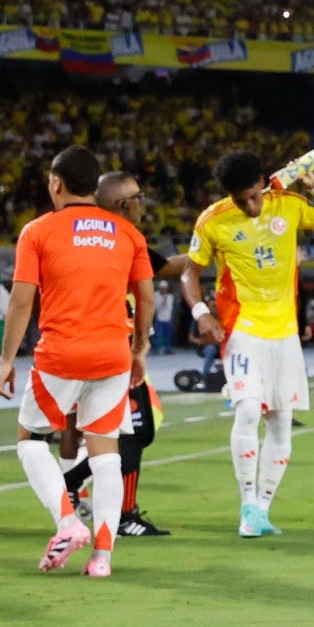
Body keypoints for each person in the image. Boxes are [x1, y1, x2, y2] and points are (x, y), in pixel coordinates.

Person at [0, 145, 154, 577]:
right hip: (112, 355)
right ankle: (102, 558)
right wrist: (139, 349)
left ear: (56, 184)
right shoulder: (127, 234)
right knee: (106, 456)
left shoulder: (38, 231)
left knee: (30, 439)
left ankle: (67, 522)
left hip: (61, 354)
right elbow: (146, 297)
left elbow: (21, 301)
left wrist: (7, 359)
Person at [179, 149, 314, 537]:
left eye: (254, 195)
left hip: (285, 334)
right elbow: (190, 274)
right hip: (242, 329)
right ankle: (246, 506)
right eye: (241, 200)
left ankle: (262, 509)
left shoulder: (289, 203)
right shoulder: (214, 220)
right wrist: (201, 314)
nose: (251, 205)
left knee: (280, 422)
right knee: (245, 410)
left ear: (263, 181)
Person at [62, 172, 191, 538]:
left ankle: (71, 485)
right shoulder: (121, 239)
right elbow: (154, 282)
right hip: (109, 346)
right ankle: (122, 516)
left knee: (131, 430)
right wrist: (139, 345)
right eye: (138, 197)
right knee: (131, 431)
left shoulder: (94, 235)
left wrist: (209, 247)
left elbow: (163, 267)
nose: (143, 203)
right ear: (122, 204)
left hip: (87, 344)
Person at [152, 281, 177, 355]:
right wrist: (162, 302)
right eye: (162, 288)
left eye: (165, 289)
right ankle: (157, 349)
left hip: (168, 319)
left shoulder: (170, 297)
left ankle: (168, 349)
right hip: (159, 318)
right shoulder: (155, 295)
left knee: (168, 335)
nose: (163, 290)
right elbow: (156, 308)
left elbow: (170, 308)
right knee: (158, 335)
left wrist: (166, 301)